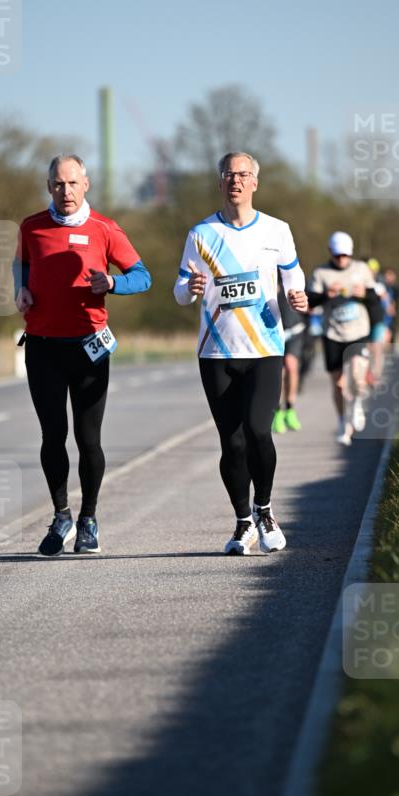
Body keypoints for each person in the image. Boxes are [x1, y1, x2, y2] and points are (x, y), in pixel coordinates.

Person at [14, 154, 151, 556]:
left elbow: (143, 276)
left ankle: (89, 519)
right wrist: (20, 289)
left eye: (73, 183)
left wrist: (111, 282)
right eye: (58, 184)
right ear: (49, 187)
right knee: (52, 436)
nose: (66, 191)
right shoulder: (31, 226)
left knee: (88, 438)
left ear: (85, 185)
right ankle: (61, 516)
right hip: (41, 346)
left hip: (88, 346)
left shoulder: (104, 229)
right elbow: (20, 263)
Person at [173, 151, 308, 555]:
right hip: (216, 351)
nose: (236, 180)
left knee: (258, 430)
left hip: (265, 348)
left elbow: (293, 272)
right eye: (229, 174)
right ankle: (243, 522)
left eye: (243, 174)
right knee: (230, 442)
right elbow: (180, 291)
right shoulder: (201, 234)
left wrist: (294, 293)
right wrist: (190, 290)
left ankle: (265, 510)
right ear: (220, 182)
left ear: (255, 183)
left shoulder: (277, 230)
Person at [307, 231, 384, 446]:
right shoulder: (321, 273)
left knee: (358, 376)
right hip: (332, 334)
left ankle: (358, 406)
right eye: (338, 255)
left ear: (351, 254)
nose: (342, 259)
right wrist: (326, 295)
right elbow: (309, 301)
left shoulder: (361, 269)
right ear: (330, 252)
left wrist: (364, 294)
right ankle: (342, 421)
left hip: (357, 332)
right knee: (339, 384)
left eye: (345, 255)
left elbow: (376, 299)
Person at [272, 287, 306, 433]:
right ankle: (278, 411)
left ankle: (290, 409)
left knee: (291, 366)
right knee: (279, 372)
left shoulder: (291, 272)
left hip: (294, 330)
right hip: (274, 333)